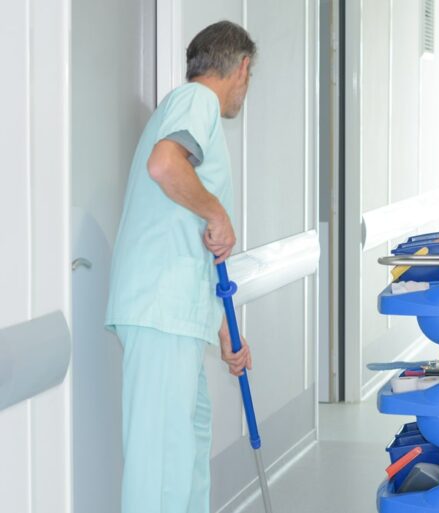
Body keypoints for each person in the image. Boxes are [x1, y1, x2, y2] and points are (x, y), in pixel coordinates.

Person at [105, 20, 256, 513]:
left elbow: (189, 239)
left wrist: (223, 333)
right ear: (242, 69)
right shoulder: (198, 102)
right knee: (161, 470)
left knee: (185, 460)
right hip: (160, 310)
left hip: (177, 314)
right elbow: (165, 164)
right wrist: (217, 212)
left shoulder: (190, 109)